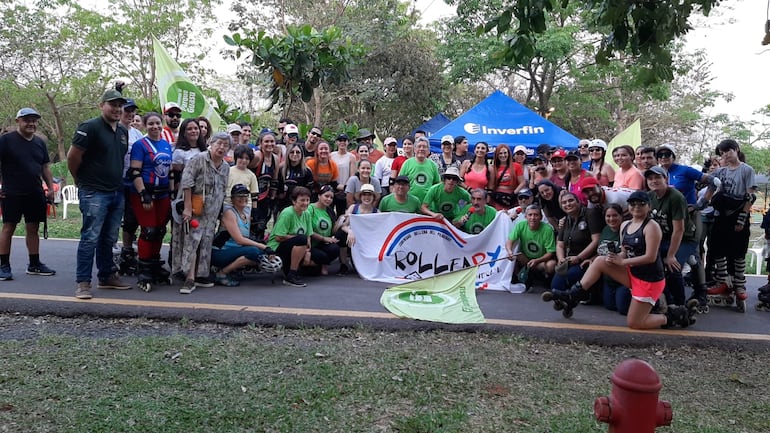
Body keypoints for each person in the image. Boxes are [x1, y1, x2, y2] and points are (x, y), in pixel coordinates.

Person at [543, 191, 696, 329]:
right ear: (628, 207)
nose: (636, 207)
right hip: (633, 273)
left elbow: (650, 257)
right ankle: (572, 296)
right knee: (600, 261)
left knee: (635, 323)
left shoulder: (652, 227)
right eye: (633, 204)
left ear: (649, 207)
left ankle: (674, 316)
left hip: (649, 280)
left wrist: (622, 262)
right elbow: (624, 251)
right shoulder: (625, 225)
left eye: (641, 204)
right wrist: (616, 258)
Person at [67, 90, 132, 299]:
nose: (116, 109)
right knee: (90, 237)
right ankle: (83, 283)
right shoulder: (90, 127)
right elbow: (73, 157)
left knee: (109, 238)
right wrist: (80, 180)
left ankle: (107, 276)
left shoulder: (122, 131)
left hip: (116, 192)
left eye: (119, 105)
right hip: (94, 192)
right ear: (101, 105)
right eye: (112, 104)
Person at [0, 108, 56, 281]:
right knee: (9, 227)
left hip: (35, 192)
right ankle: (3, 266)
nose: (31, 123)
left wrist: (51, 188)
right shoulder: (5, 141)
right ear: (18, 121)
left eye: (34, 120)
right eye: (27, 120)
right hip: (11, 192)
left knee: (33, 228)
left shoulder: (40, 143)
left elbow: (45, 166)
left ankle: (34, 264)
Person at [704, 139, 756, 311]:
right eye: (722, 152)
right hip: (722, 214)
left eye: (728, 151)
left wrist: (742, 218)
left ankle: (739, 285)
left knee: (738, 251)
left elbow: (750, 197)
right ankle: (723, 281)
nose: (726, 155)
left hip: (738, 213)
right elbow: (710, 189)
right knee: (718, 248)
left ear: (736, 150)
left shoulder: (746, 170)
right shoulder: (721, 171)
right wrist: (701, 204)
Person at [178, 132, 230, 294]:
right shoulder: (199, 159)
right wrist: (187, 206)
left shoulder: (226, 167)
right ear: (211, 143)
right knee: (193, 241)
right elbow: (186, 182)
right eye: (219, 143)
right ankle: (189, 278)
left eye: (225, 145)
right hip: (196, 208)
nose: (221, 147)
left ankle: (201, 275)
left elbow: (222, 190)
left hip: (212, 211)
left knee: (206, 241)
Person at [126, 112, 173, 290]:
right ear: (145, 126)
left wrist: (172, 191)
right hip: (145, 193)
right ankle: (144, 267)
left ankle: (154, 263)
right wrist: (143, 192)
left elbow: (170, 172)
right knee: (149, 230)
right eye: (151, 124)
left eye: (157, 123)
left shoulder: (166, 144)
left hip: (163, 194)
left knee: (160, 230)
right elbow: (134, 171)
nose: (155, 127)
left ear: (161, 125)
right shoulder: (140, 145)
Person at [645, 165, 700, 308]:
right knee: (653, 266)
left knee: (673, 267)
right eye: (650, 178)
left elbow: (679, 230)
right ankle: (668, 302)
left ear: (666, 178)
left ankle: (681, 306)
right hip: (663, 238)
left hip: (685, 238)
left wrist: (671, 255)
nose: (653, 181)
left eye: (658, 177)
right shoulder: (650, 196)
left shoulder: (675, 197)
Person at [211, 184, 281, 287]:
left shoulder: (247, 213)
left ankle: (232, 269)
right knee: (254, 251)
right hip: (220, 252)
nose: (243, 198)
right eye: (239, 196)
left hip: (234, 250)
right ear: (233, 199)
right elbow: (239, 240)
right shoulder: (229, 213)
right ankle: (222, 273)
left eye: (245, 196)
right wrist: (264, 246)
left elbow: (246, 237)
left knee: (260, 253)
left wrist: (263, 245)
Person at [169, 118, 206, 280]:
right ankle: (180, 268)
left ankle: (198, 269)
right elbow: (176, 179)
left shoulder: (205, 151)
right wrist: (181, 202)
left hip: (203, 197)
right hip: (185, 196)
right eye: (189, 129)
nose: (193, 131)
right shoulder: (179, 153)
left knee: (199, 234)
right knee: (184, 233)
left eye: (196, 128)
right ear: (184, 132)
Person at [550, 191, 603, 300]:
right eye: (564, 203)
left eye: (570, 200)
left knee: (570, 276)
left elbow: (596, 240)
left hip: (586, 260)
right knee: (555, 287)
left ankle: (581, 296)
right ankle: (567, 299)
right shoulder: (565, 220)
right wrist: (561, 259)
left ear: (578, 202)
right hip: (569, 261)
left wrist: (579, 258)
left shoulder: (590, 214)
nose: (567, 204)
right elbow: (560, 244)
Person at [267, 186, 314, 287]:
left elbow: (309, 236)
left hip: (296, 246)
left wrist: (307, 252)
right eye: (302, 200)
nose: (305, 203)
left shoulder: (307, 214)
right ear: (294, 201)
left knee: (320, 257)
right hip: (277, 246)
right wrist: (297, 238)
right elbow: (278, 237)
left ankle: (292, 269)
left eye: (307, 200)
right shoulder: (287, 213)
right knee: (301, 239)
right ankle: (291, 275)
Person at [505, 204, 557, 287]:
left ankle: (545, 279)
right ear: (525, 217)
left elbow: (550, 252)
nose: (533, 218)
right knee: (513, 255)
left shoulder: (547, 229)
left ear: (541, 217)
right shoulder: (520, 225)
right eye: (530, 215)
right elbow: (510, 241)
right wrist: (509, 251)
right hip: (525, 259)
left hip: (540, 261)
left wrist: (537, 261)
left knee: (551, 265)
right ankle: (520, 278)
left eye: (536, 215)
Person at [335, 183, 379, 275]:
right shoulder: (353, 208)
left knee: (359, 269)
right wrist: (350, 231)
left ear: (373, 197)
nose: (367, 197)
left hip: (368, 241)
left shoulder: (377, 212)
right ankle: (344, 265)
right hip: (353, 238)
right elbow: (343, 225)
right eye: (364, 194)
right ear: (361, 196)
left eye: (369, 195)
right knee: (341, 235)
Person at [596, 204, 631, 314]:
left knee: (623, 309)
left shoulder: (627, 230)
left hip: (623, 277)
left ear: (621, 216)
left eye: (615, 215)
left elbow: (626, 254)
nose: (611, 219)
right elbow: (600, 251)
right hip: (608, 278)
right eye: (608, 216)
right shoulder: (605, 230)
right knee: (610, 306)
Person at [250, 131, 281, 240]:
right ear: (261, 143)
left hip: (265, 197)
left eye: (272, 141)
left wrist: (272, 199)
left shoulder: (275, 159)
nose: (269, 144)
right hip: (252, 196)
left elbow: (274, 180)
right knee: (252, 224)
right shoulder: (258, 156)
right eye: (266, 141)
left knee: (262, 224)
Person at [308, 184, 341, 275]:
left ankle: (322, 264)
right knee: (319, 259)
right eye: (326, 196)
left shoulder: (330, 211)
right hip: (310, 243)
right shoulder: (310, 209)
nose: (329, 199)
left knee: (335, 249)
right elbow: (308, 230)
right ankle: (313, 264)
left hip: (323, 244)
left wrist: (341, 221)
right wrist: (324, 238)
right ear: (319, 196)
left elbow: (332, 231)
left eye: (331, 197)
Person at [398, 136, 440, 202]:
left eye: (424, 147)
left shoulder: (433, 165)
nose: (421, 149)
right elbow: (399, 183)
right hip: (409, 202)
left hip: (427, 203)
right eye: (419, 146)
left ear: (428, 150)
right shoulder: (407, 163)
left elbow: (437, 184)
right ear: (414, 149)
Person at [278, 143, 315, 213]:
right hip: (283, 206)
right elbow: (279, 191)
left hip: (300, 207)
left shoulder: (306, 171)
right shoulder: (281, 169)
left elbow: (310, 192)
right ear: (288, 154)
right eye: (292, 152)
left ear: (302, 154)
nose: (295, 154)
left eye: (298, 152)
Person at [489, 144, 525, 211]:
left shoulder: (516, 166)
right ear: (497, 155)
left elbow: (522, 182)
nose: (503, 155)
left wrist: (514, 193)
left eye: (505, 153)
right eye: (500, 153)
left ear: (509, 154)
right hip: (497, 197)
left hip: (511, 196)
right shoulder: (493, 168)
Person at [331, 133, 358, 216]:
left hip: (345, 189)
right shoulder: (331, 155)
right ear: (336, 142)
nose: (342, 142)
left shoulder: (351, 157)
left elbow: (352, 175)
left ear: (348, 142)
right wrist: (336, 185)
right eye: (340, 140)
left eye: (344, 140)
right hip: (333, 187)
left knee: (341, 213)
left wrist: (345, 187)